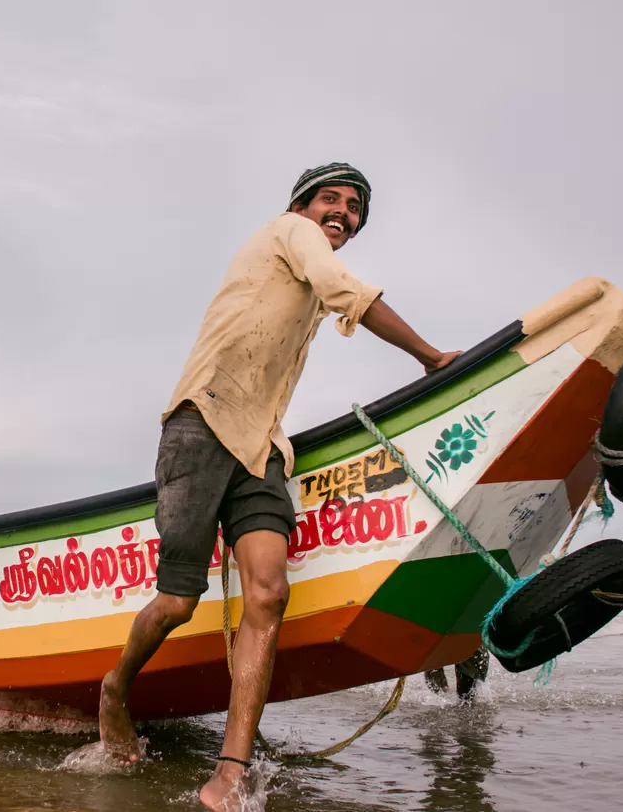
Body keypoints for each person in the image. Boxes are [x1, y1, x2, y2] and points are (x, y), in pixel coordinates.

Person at [97, 162, 461, 811]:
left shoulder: (310, 260)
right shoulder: (291, 231)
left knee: (268, 592)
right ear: (303, 203)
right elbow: (345, 288)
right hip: (201, 420)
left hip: (263, 447)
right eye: (334, 199)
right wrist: (431, 358)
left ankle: (231, 773)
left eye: (354, 208)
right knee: (178, 602)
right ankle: (114, 687)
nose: (343, 212)